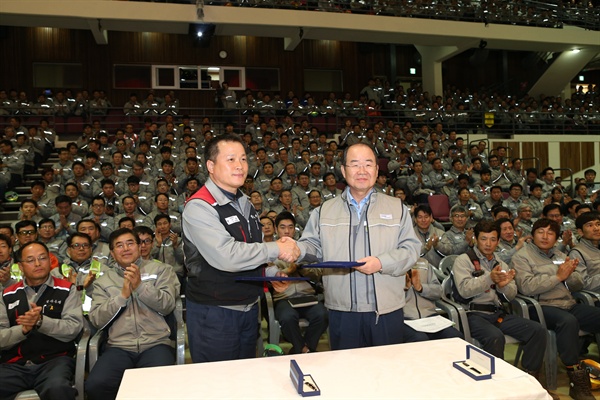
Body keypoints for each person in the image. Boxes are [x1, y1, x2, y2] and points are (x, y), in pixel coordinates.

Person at [181, 134, 300, 363]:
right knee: (217, 385)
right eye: (231, 159)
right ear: (211, 166)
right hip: (215, 313)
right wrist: (276, 247)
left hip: (248, 309)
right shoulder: (199, 206)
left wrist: (270, 274)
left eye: (243, 159)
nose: (240, 166)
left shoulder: (244, 201)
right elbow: (227, 257)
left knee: (244, 381)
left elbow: (251, 253)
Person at [296, 143, 421, 350]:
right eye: (354, 164)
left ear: (377, 170)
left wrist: (381, 263)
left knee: (386, 372)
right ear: (343, 171)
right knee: (348, 375)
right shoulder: (324, 211)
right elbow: (313, 248)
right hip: (342, 311)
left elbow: (411, 249)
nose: (362, 171)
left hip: (386, 311)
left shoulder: (397, 207)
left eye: (368, 164)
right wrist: (297, 250)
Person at [86, 228, 180, 400]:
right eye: (119, 246)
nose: (126, 248)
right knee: (96, 385)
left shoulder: (161, 270)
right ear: (112, 253)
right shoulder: (103, 281)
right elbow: (97, 319)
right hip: (119, 347)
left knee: (159, 387)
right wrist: (121, 297)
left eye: (130, 243)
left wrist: (140, 287)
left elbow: (167, 305)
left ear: (139, 246)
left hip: (156, 343)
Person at [512, 218, 600, 400]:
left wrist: (571, 275)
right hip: (540, 306)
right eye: (540, 232)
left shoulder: (560, 256)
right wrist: (558, 276)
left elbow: (576, 285)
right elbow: (526, 287)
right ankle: (576, 381)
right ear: (533, 234)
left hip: (566, 303)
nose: (545, 237)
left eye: (550, 233)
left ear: (556, 238)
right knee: (568, 322)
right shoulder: (521, 256)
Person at [453, 221, 547, 380]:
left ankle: (530, 378)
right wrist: (489, 278)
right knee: (495, 337)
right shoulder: (464, 260)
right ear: (475, 239)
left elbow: (511, 295)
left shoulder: (501, 263)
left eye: (492, 239)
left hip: (497, 313)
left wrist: (503, 286)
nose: (488, 244)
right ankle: (495, 384)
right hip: (472, 314)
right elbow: (464, 289)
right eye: (483, 239)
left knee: (537, 331)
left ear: (498, 241)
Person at [0, 241, 84, 400]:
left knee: (57, 388)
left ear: (50, 260)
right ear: (20, 266)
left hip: (54, 362)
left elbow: (73, 329)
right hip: (14, 365)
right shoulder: (6, 294)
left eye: (42, 258)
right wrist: (23, 329)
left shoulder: (67, 289)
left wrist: (41, 322)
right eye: (30, 260)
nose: (38, 264)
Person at [271, 212, 328, 354]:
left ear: (295, 229)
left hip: (308, 297)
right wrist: (290, 270)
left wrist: (302, 267)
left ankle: (302, 349)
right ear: (276, 229)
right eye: (282, 227)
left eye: (290, 227)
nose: (286, 231)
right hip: (284, 298)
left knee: (322, 315)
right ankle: (305, 350)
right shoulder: (269, 251)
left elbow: (317, 275)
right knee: (287, 318)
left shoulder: (305, 250)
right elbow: (270, 276)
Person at [403, 257, 463, 342]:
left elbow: (439, 291)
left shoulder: (425, 264)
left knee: (456, 337)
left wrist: (421, 288)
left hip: (429, 317)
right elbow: (387, 299)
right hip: (406, 319)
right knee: (420, 340)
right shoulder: (391, 267)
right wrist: (404, 288)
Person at [569, 212, 600, 293]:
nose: (596, 228)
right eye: (590, 225)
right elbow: (583, 284)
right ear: (580, 232)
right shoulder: (576, 253)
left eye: (598, 224)